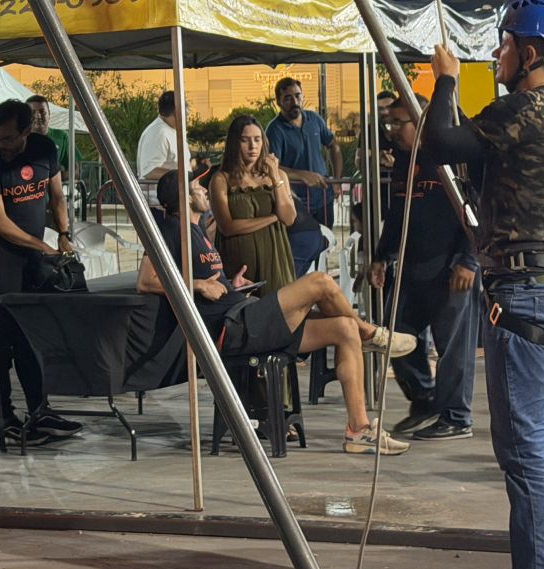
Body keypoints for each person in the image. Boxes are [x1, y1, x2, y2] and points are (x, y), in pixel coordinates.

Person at [421, 0, 544, 569]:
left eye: (503, 45)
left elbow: (442, 141)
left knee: (527, 453)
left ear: (527, 50)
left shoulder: (525, 107)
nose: (494, 54)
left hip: (526, 292)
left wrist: (442, 80)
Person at [140, 170, 414, 455]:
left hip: (242, 314)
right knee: (320, 282)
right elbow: (146, 281)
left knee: (344, 329)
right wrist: (198, 285)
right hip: (230, 328)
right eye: (197, 186)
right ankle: (371, 334)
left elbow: (207, 280)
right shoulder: (171, 229)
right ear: (182, 196)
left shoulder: (198, 230)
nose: (204, 190)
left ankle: (359, 430)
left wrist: (230, 285)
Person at [367, 95, 481, 441]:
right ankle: (424, 399)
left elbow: (476, 211)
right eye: (389, 124)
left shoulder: (452, 160)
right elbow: (397, 213)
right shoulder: (404, 160)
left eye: (398, 123)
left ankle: (456, 415)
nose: (392, 131)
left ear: (420, 123)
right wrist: (381, 255)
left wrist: (468, 260)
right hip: (412, 265)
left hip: (450, 267)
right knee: (397, 335)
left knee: (452, 347)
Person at [0, 99, 81, 444]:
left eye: (8, 138)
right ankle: (3, 414)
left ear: (26, 131)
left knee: (32, 339)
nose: (2, 145)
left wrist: (63, 234)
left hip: (34, 261)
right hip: (0, 261)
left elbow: (56, 196)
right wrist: (44, 247)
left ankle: (40, 410)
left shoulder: (44, 148)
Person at [210, 115, 298, 293]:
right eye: (245, 140)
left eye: (257, 140)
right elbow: (227, 226)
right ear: (235, 143)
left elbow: (289, 218)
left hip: (275, 257)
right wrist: (273, 217)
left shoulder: (278, 176)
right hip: (239, 262)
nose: (253, 146)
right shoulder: (221, 179)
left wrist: (274, 178)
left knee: (279, 311)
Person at [265, 77, 342, 274]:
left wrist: (337, 179)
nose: (294, 102)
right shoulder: (275, 129)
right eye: (288, 98)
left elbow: (333, 145)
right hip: (296, 201)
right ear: (279, 101)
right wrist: (302, 175)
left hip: (323, 196)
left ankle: (319, 288)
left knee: (324, 245)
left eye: (297, 96)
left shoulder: (314, 119)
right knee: (303, 247)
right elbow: (273, 166)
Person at [136, 91, 182, 205]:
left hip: (174, 198)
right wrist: (182, 174)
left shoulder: (171, 130)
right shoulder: (158, 133)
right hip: (160, 203)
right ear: (176, 113)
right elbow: (150, 171)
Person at [25, 94, 71, 166]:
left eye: (42, 112)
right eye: (32, 112)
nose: (38, 116)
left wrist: (54, 175)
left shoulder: (63, 137)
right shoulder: (19, 139)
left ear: (49, 114)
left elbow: (75, 169)